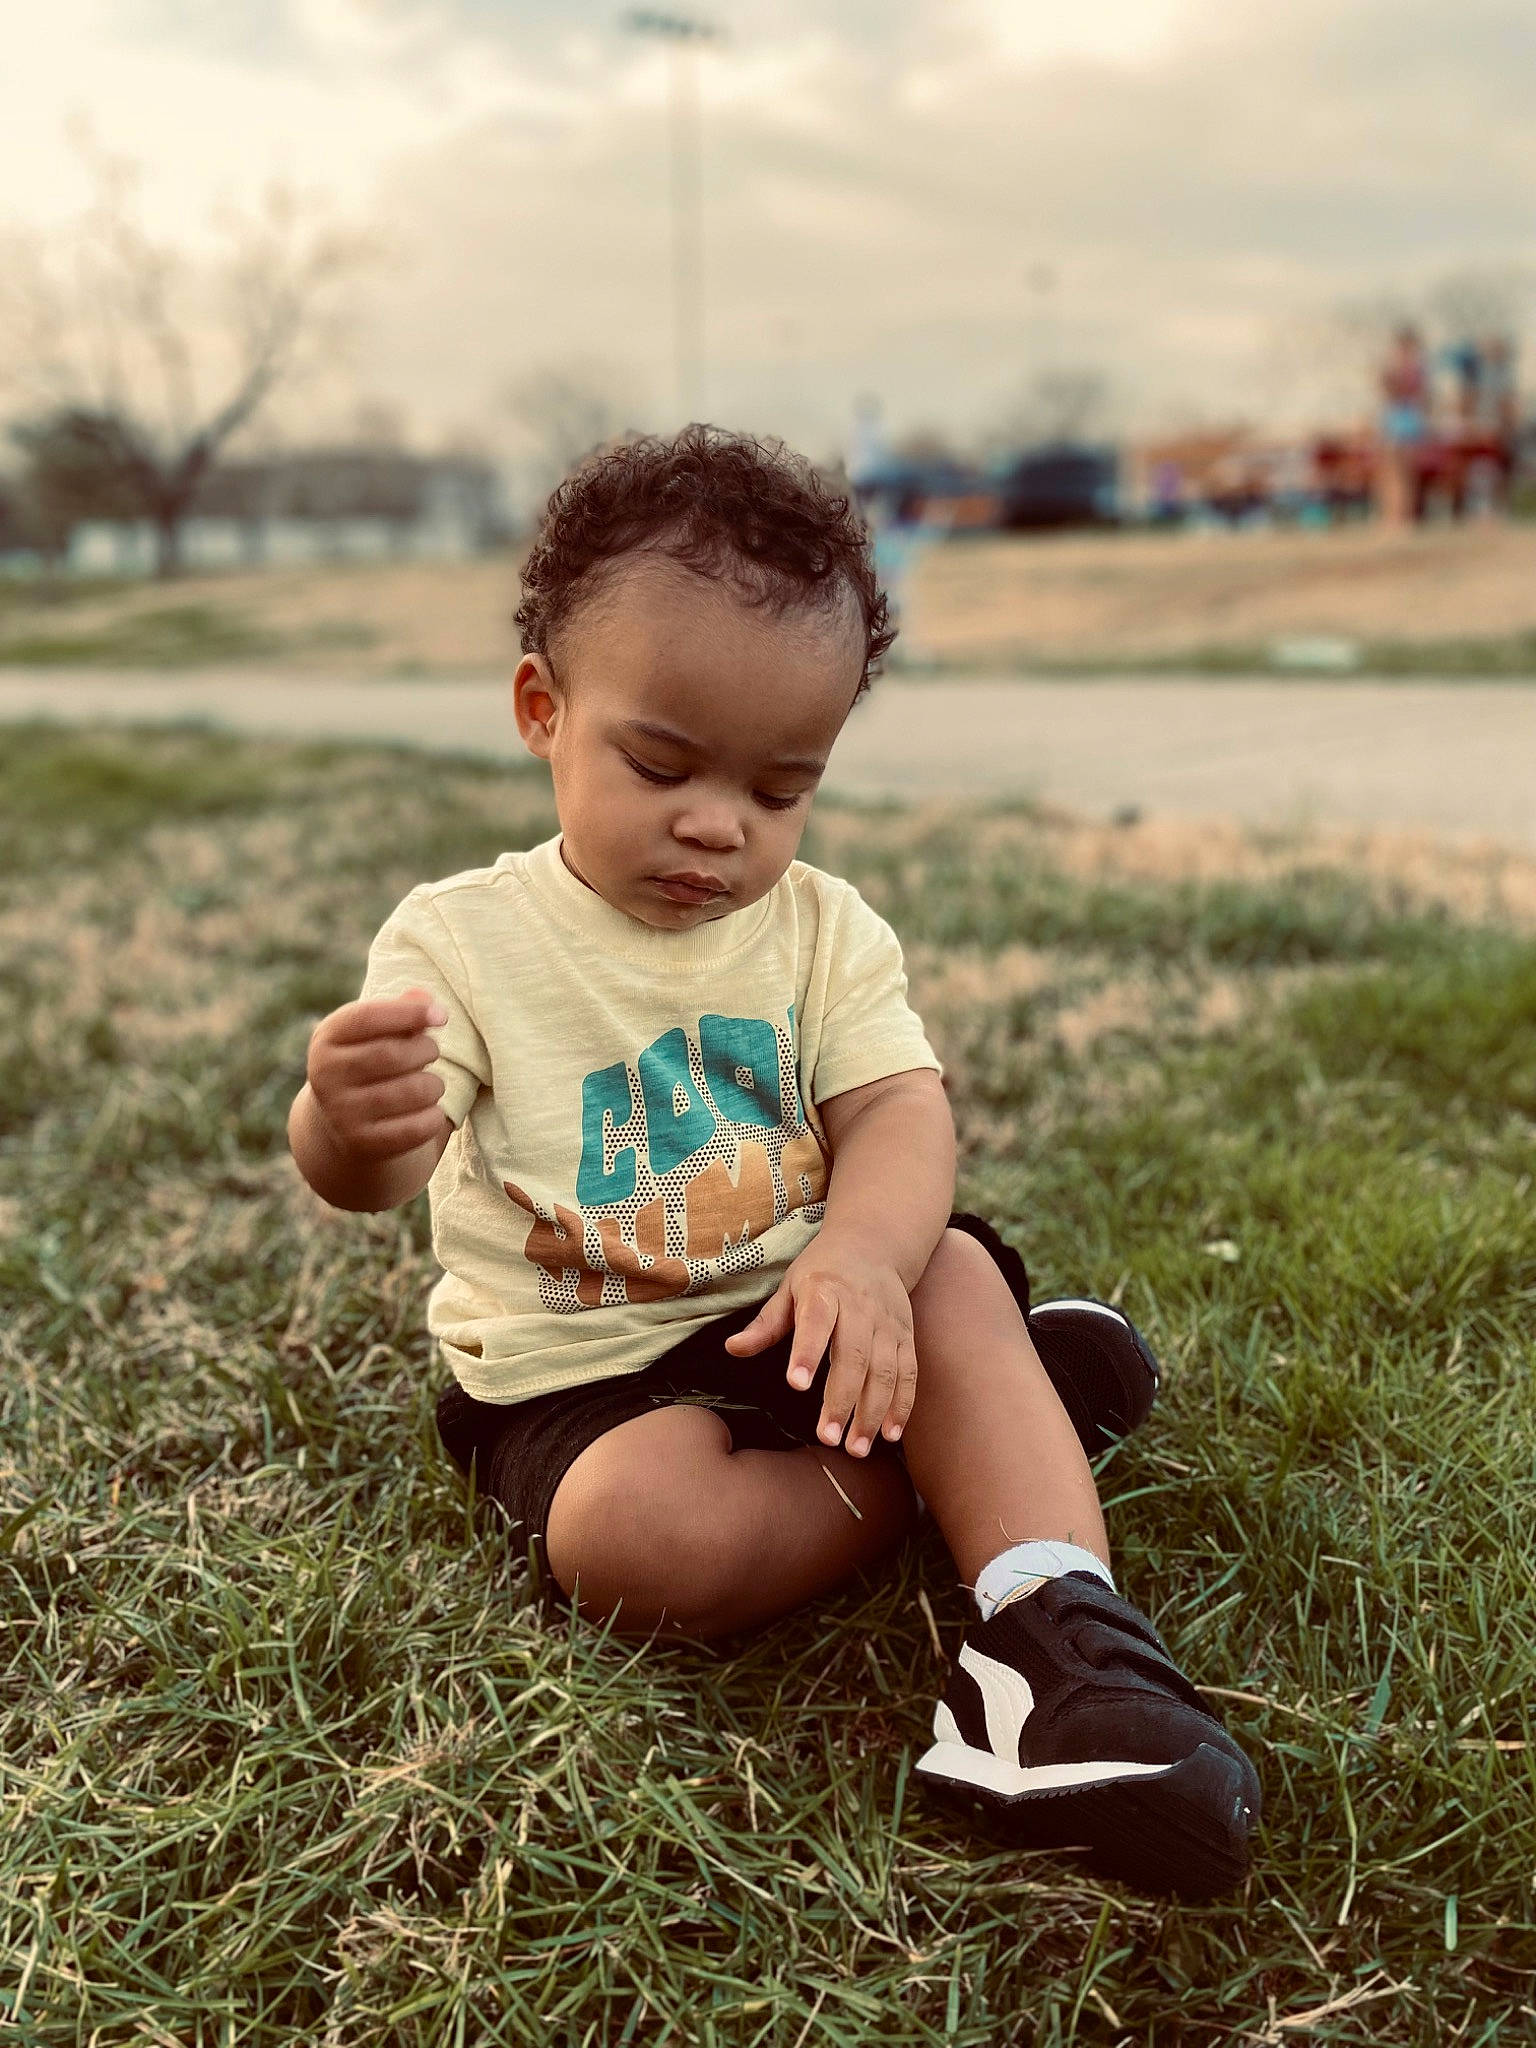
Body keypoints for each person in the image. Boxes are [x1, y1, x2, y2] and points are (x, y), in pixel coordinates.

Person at [286, 425, 1261, 1900]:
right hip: (586, 1382)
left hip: (815, 1307)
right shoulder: (463, 942)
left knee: (935, 1267)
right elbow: (363, 1177)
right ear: (543, 709)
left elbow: (901, 1113)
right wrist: (347, 1128)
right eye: (663, 762)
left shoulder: (820, 931)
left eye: (781, 787)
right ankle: (979, 1441)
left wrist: (860, 1255)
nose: (718, 825)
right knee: (636, 1549)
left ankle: (1050, 1639)